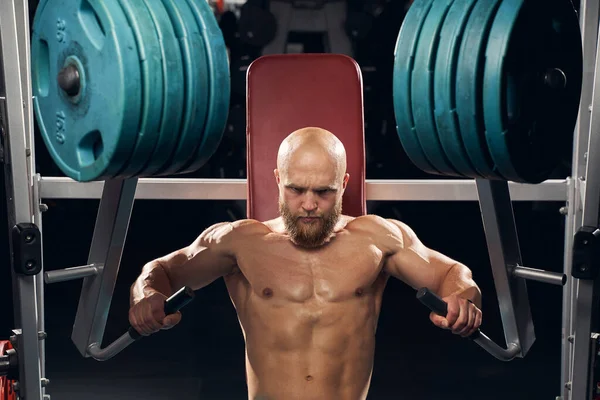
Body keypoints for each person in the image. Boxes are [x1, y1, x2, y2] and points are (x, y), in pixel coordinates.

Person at [129, 127, 483, 400]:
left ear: (343, 185)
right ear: (278, 181)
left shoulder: (378, 239)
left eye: (324, 191)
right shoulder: (240, 242)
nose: (309, 205)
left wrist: (462, 300)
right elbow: (161, 270)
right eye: (296, 190)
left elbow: (452, 274)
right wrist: (146, 297)